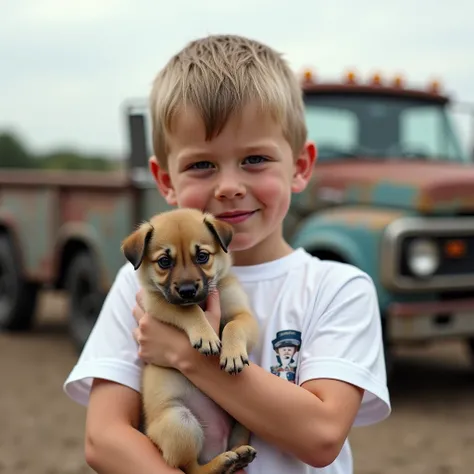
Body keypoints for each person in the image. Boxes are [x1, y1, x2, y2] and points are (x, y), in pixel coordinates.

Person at [63, 34, 391, 474]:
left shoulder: (338, 288)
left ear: (300, 167)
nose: (229, 186)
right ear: (165, 179)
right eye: (202, 164)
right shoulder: (136, 283)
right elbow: (104, 440)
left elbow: (321, 436)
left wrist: (187, 355)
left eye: (255, 159)